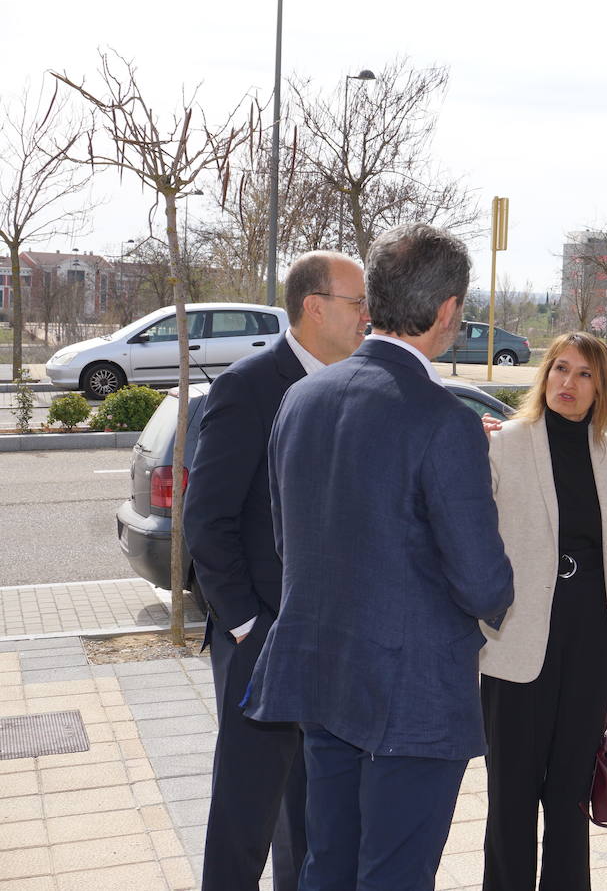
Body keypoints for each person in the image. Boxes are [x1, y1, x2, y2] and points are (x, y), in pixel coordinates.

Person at [245, 223, 515, 891]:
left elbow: (289, 542)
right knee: (394, 875)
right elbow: (485, 583)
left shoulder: (302, 398)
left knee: (327, 864)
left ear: (377, 302)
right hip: (412, 696)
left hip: (321, 676)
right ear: (448, 312)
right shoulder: (442, 420)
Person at [184, 251, 368, 891]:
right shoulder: (248, 387)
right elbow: (207, 521)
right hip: (260, 642)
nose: (367, 316)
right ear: (315, 307)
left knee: (313, 820)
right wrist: (246, 626)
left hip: (332, 642)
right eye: (357, 303)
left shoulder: (352, 385)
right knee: (245, 814)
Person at [478, 331, 607, 891]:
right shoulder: (503, 444)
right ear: (544, 375)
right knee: (511, 794)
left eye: (584, 374)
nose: (567, 383)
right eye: (559, 370)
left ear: (601, 389)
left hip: (588, 642)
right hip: (518, 641)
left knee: (572, 793)